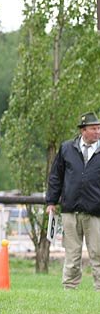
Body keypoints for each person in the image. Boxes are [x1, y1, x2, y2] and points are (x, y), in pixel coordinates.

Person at [46, 112, 100, 291]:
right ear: (83, 130)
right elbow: (56, 176)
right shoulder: (67, 148)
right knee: (72, 253)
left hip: (96, 212)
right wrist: (51, 202)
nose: (98, 132)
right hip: (70, 211)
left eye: (99, 128)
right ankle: (69, 288)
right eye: (94, 128)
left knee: (97, 253)